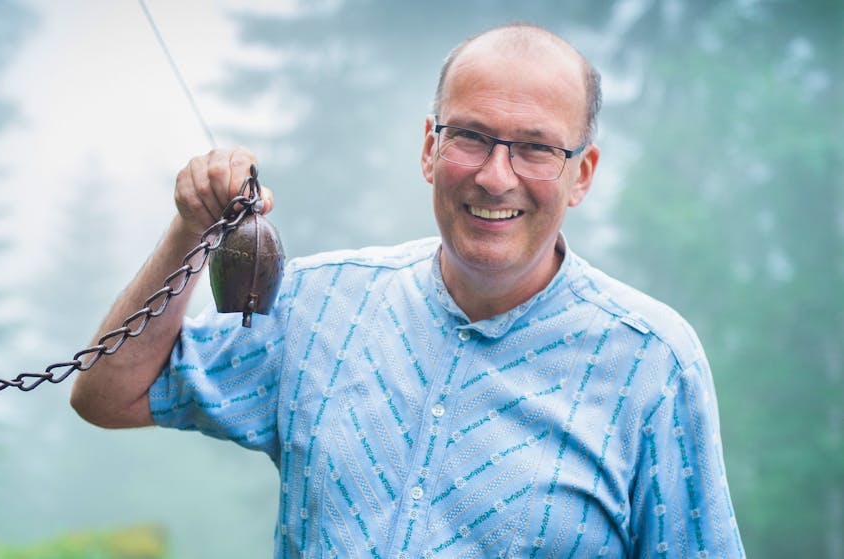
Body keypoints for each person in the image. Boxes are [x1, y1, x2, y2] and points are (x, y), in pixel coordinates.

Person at [71, 22, 744, 558]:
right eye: (471, 137)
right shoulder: (320, 306)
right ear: (429, 148)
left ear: (584, 173)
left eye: (535, 148)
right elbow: (108, 391)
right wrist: (192, 228)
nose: (495, 175)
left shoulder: (652, 362)